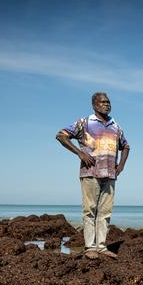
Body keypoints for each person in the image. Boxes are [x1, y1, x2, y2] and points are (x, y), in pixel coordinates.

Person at [56, 92, 130, 259]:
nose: (107, 104)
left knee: (105, 212)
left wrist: (121, 166)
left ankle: (101, 247)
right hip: (90, 173)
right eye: (103, 102)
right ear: (95, 105)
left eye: (108, 102)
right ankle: (90, 247)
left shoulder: (116, 126)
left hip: (110, 175)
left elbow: (126, 146)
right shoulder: (85, 122)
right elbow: (61, 135)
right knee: (89, 210)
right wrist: (79, 154)